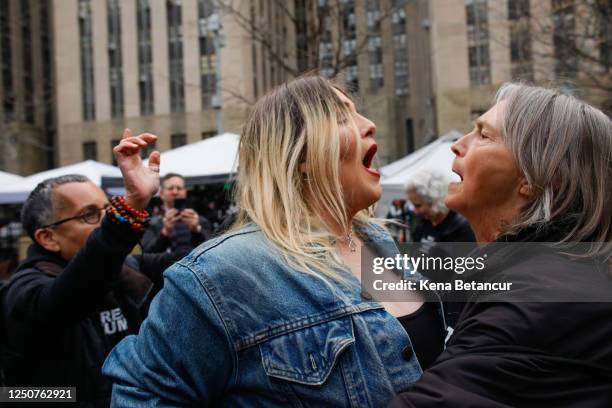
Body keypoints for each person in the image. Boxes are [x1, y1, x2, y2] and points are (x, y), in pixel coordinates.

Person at [103, 76, 445, 406]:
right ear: (302, 157)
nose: (369, 124)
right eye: (342, 117)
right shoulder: (223, 273)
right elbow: (143, 395)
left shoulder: (377, 239)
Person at [389, 83, 612, 407]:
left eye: (483, 134)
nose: (458, 145)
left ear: (535, 179)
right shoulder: (554, 270)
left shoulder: (539, 297)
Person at [0, 129, 165, 406]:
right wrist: (129, 208)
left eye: (108, 209)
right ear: (48, 237)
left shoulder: (127, 270)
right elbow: (73, 293)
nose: (105, 220)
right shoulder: (24, 293)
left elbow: (194, 260)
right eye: (90, 215)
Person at [141, 173, 211, 254]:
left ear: (185, 192)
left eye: (179, 188)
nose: (175, 192)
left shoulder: (200, 221)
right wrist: (165, 232)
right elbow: (146, 254)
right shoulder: (151, 224)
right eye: (170, 188)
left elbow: (211, 250)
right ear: (161, 193)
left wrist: (196, 230)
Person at [406, 170, 475, 243]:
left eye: (418, 205)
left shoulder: (461, 228)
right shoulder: (423, 224)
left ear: (434, 200)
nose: (415, 211)